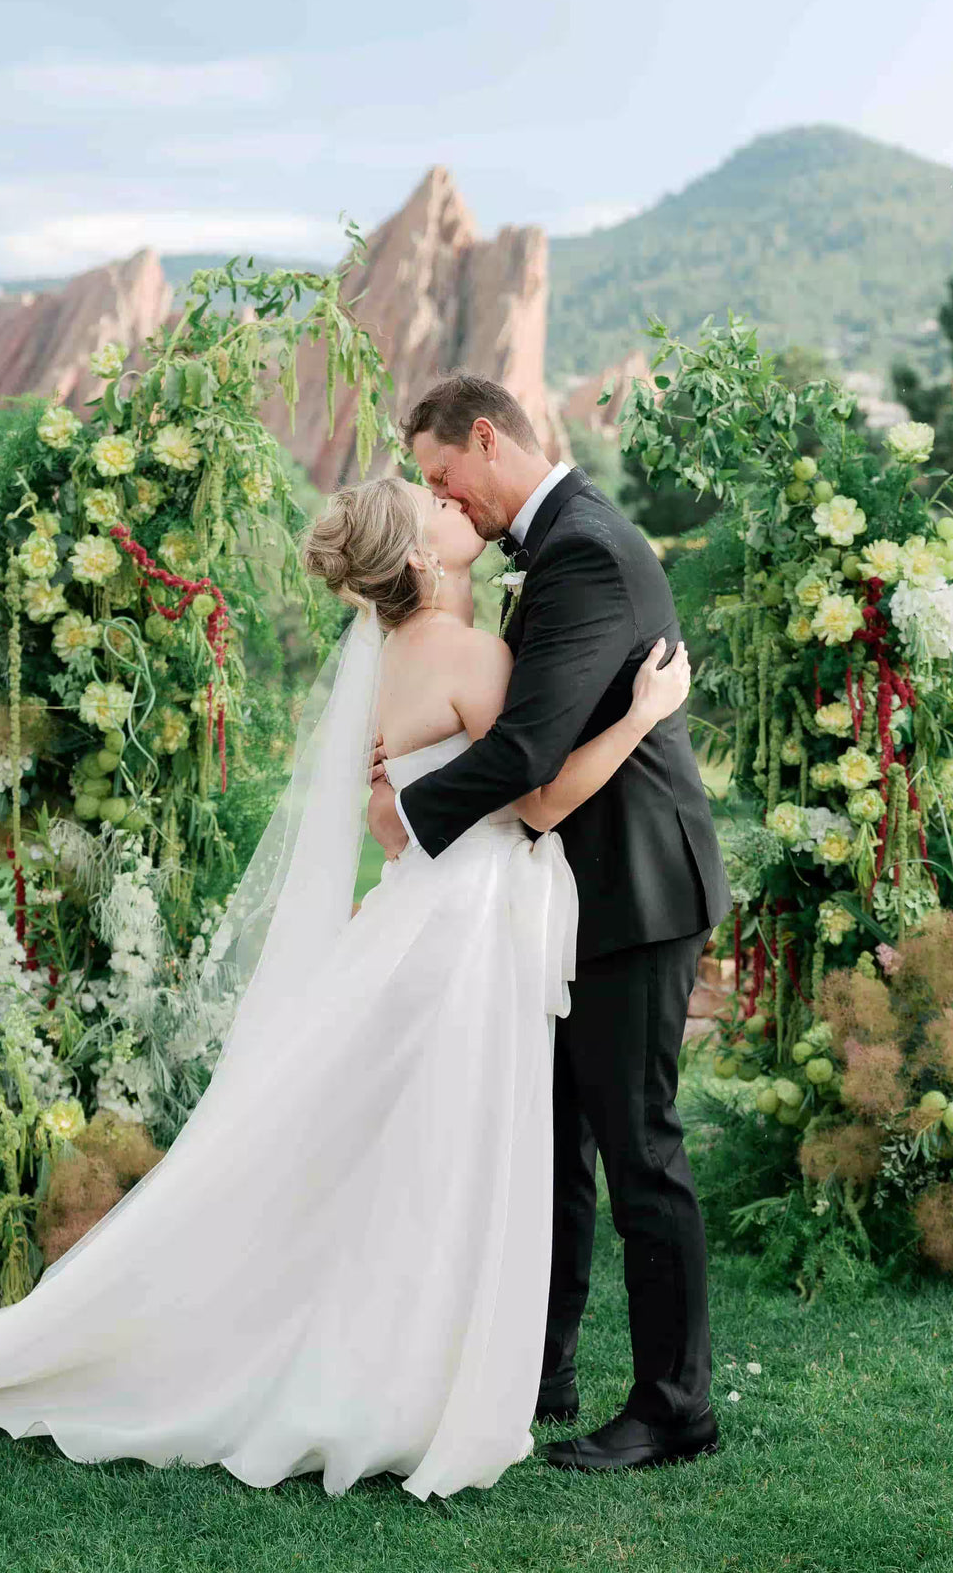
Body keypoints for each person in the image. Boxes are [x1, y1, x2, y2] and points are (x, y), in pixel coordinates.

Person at [0, 475, 689, 1500]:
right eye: (435, 507)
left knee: (418, 1149)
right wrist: (644, 714)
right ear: (418, 560)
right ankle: (426, 1371)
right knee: (454, 1147)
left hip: (432, 911)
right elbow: (538, 799)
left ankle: (441, 1356)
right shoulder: (470, 653)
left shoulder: (400, 657)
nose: (456, 507)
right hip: (469, 929)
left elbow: (394, 813)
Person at [368, 374, 733, 1473]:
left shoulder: (584, 547)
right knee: (558, 1145)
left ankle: (677, 1404)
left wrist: (404, 805)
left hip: (634, 889)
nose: (446, 501)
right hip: (573, 891)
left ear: (485, 438)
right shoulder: (559, 545)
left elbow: (528, 757)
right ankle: (542, 1371)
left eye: (441, 477)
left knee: (638, 1146)